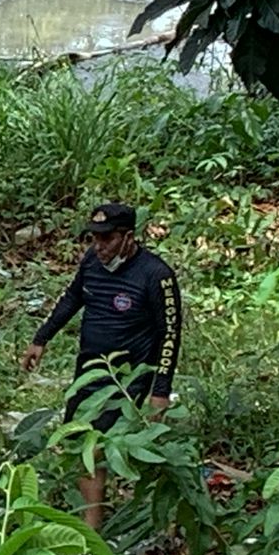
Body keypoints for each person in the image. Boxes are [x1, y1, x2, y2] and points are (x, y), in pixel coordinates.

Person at [21, 202, 182, 530]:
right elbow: (71, 298)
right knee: (77, 443)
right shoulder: (93, 262)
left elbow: (170, 334)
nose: (99, 246)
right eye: (94, 239)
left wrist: (160, 390)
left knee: (93, 450)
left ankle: (92, 532)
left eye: (107, 239)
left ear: (128, 237)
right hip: (89, 372)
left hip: (126, 378)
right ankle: (85, 517)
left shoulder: (156, 275)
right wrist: (41, 338)